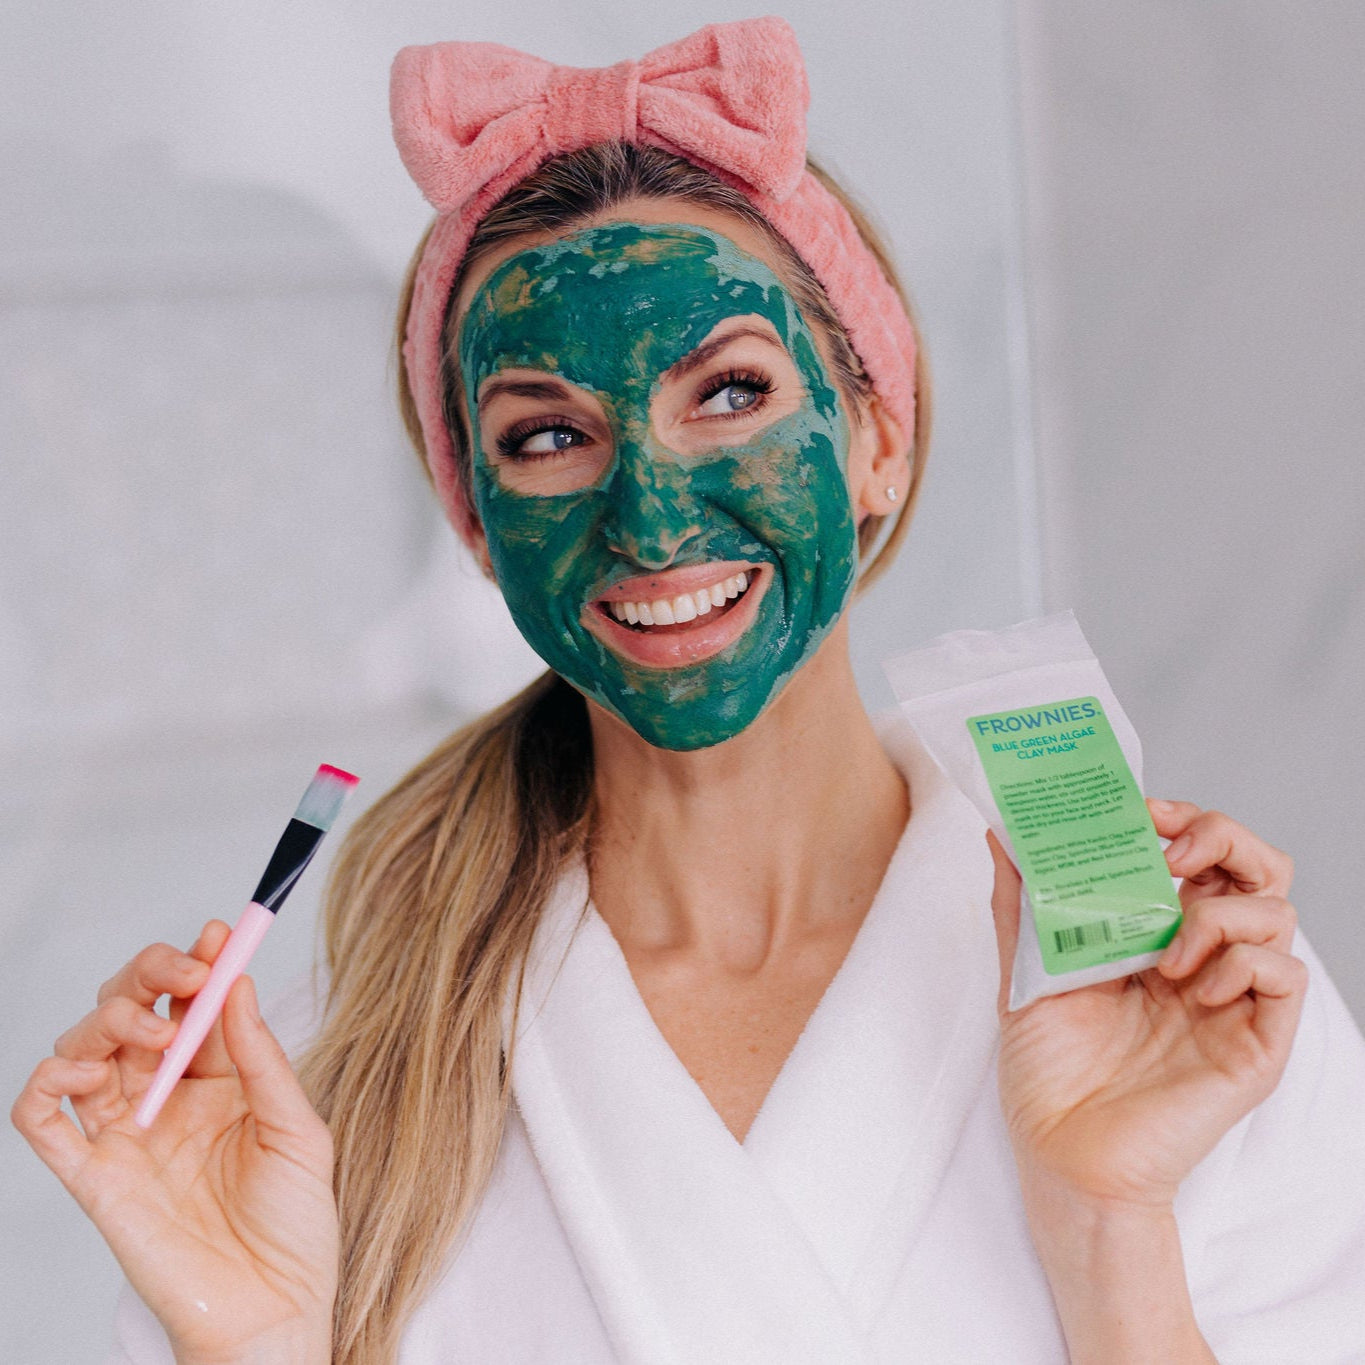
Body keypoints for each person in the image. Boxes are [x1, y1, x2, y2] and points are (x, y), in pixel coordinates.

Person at [13, 17, 1365, 1365]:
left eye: (726, 392)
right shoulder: (313, 1072)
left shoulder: (1171, 979)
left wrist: (1109, 1229)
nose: (650, 518)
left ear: (876, 434)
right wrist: (247, 1345)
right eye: (547, 435)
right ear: (477, 522)